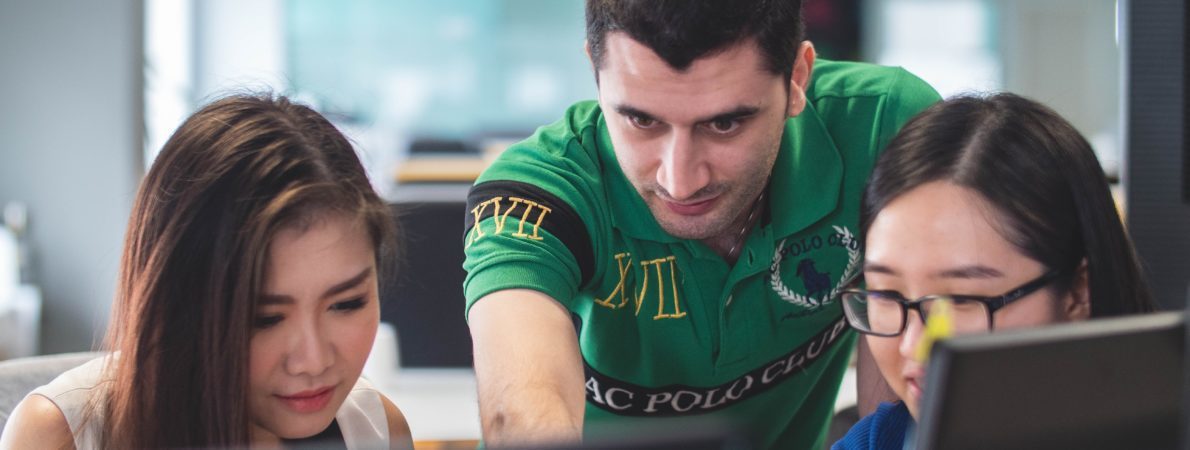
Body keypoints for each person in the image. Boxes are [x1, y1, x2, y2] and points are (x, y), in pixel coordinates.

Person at [463, 1, 940, 447]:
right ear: (595, 71)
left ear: (797, 76)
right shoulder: (531, 197)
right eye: (641, 120)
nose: (681, 180)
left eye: (725, 124)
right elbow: (521, 417)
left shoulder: (887, 127)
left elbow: (903, 383)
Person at [0, 95, 414, 449]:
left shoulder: (375, 432)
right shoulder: (61, 436)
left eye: (346, 304)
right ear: (178, 304)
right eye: (264, 318)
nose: (312, 359)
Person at [831, 93, 1157, 449]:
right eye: (885, 294)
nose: (914, 346)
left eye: (958, 299)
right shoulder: (881, 441)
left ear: (1078, 292)